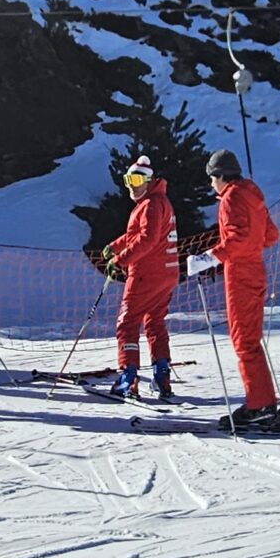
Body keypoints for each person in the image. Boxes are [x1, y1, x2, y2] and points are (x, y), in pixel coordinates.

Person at [203, 150, 280, 431]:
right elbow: (270, 235)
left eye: (211, 179)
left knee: (243, 340)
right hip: (254, 270)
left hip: (240, 272)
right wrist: (249, 246)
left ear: (219, 176)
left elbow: (238, 238)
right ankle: (262, 400)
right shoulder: (252, 194)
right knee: (250, 338)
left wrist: (210, 257)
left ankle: (260, 406)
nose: (211, 185)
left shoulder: (231, 197)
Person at [102, 156, 179, 401]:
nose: (132, 186)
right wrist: (115, 247)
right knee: (154, 322)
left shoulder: (151, 204)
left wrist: (120, 260)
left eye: (137, 180)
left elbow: (148, 239)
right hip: (166, 273)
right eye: (128, 181)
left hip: (147, 274)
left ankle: (128, 379)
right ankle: (161, 378)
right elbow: (136, 234)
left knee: (127, 323)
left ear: (149, 180)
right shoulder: (155, 201)